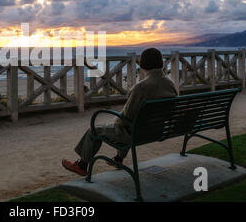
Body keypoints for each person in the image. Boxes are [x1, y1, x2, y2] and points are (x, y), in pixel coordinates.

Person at [62, 48, 177, 176]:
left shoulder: (141, 88)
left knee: (94, 130)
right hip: (158, 130)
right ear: (160, 63)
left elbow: (127, 116)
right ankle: (118, 159)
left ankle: (82, 165)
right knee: (133, 125)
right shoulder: (170, 84)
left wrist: (116, 121)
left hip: (137, 133)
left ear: (143, 65)